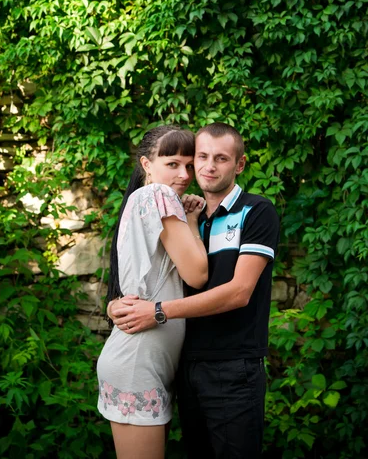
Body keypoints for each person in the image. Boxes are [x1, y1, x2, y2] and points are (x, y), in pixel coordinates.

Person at [110, 122, 280, 459]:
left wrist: (157, 311)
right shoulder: (189, 215)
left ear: (239, 164)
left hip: (233, 367)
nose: (205, 167)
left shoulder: (256, 210)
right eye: (199, 157)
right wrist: (117, 304)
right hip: (186, 367)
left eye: (220, 158)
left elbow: (239, 292)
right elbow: (149, 275)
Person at [97, 125, 208, 459]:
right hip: (138, 361)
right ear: (146, 164)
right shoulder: (155, 196)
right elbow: (198, 274)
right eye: (172, 163)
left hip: (146, 359)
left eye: (189, 165)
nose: (185, 174)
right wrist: (190, 222)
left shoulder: (146, 201)